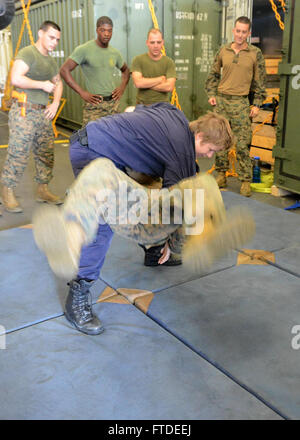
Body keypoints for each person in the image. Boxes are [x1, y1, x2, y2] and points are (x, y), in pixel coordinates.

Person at [33, 102, 235, 336]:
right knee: (104, 221)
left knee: (145, 189)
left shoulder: (173, 113)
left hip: (94, 139)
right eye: (210, 150)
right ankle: (79, 293)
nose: (209, 156)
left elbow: (131, 110)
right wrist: (173, 243)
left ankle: (152, 250)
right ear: (199, 136)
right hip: (94, 152)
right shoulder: (182, 153)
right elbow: (175, 210)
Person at [1, 20, 63, 213]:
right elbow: (16, 78)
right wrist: (42, 85)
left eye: (57, 39)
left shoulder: (51, 61)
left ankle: (43, 189)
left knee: (46, 154)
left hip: (43, 112)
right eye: (51, 37)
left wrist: (54, 103)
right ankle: (7, 191)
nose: (54, 42)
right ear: (40, 33)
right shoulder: (28, 53)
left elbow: (58, 83)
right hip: (24, 111)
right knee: (18, 153)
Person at [205, 16, 266, 197]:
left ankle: (245, 180)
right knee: (220, 141)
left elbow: (260, 82)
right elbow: (213, 75)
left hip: (241, 102)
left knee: (242, 144)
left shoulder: (255, 53)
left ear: (249, 33)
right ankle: (221, 175)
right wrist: (212, 94)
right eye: (237, 31)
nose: (240, 35)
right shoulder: (223, 50)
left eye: (244, 32)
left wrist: (257, 104)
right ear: (233, 31)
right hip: (222, 101)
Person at [60, 16, 130, 126]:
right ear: (97, 30)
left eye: (109, 31)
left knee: (115, 139)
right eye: (103, 30)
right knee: (92, 139)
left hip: (113, 106)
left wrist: (121, 88)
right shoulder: (84, 49)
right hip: (94, 107)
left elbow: (126, 71)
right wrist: (82, 92)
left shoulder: (114, 52)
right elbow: (64, 70)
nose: (106, 34)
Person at [131, 28, 176, 105]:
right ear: (147, 43)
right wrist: (160, 79)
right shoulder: (138, 60)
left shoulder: (169, 62)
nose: (156, 46)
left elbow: (169, 87)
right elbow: (138, 83)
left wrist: (146, 84)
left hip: (163, 106)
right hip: (142, 105)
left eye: (158, 42)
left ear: (162, 43)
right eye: (152, 42)